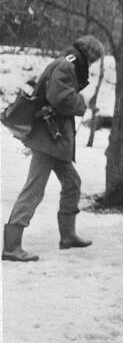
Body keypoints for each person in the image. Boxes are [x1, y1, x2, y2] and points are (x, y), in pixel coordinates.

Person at [3, 35, 105, 261]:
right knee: (34, 189)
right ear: (90, 54)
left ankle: (67, 236)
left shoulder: (67, 63)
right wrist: (82, 103)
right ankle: (11, 246)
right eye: (95, 58)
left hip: (54, 139)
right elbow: (59, 98)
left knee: (72, 183)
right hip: (49, 139)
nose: (94, 63)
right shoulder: (67, 65)